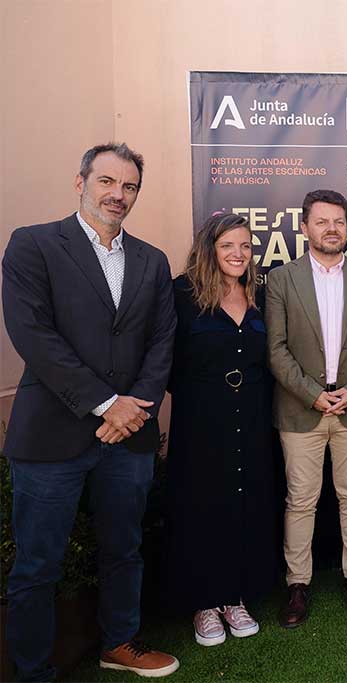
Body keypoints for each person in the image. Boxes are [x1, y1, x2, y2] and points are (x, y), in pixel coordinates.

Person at [1, 142, 179, 679]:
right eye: (107, 182)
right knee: (37, 566)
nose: (117, 195)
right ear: (80, 182)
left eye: (128, 187)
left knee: (124, 549)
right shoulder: (33, 246)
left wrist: (133, 411)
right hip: (52, 436)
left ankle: (119, 642)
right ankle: (33, 671)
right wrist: (107, 404)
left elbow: (161, 343)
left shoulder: (151, 260)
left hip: (129, 439)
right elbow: (34, 335)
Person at [265, 189, 347, 626]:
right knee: (301, 500)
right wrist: (312, 394)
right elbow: (276, 350)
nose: (332, 228)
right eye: (322, 221)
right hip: (301, 410)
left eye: (339, 221)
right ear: (305, 227)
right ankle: (298, 584)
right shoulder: (281, 279)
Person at [162, 212, 277, 645]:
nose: (238, 254)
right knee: (201, 502)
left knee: (244, 500)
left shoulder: (256, 294)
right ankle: (204, 603)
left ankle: (234, 596)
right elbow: (166, 358)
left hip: (251, 411)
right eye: (228, 245)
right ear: (210, 248)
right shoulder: (182, 292)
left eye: (246, 246)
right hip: (201, 414)